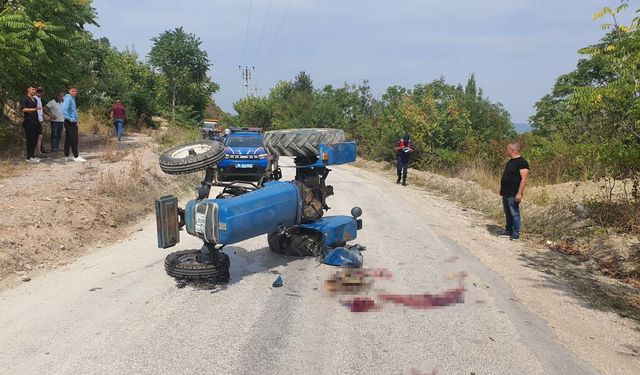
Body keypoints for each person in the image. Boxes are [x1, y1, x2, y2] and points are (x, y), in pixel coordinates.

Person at [499, 142, 530, 240]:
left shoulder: (522, 162)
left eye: (507, 149)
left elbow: (524, 179)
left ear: (512, 150)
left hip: (514, 193)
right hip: (506, 192)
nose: (506, 150)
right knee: (507, 212)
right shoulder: (510, 162)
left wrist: (519, 193)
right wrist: (502, 190)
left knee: (514, 212)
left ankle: (515, 233)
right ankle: (508, 230)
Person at [62, 85, 86, 162]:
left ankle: (67, 156)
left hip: (71, 121)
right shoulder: (68, 98)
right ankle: (76, 156)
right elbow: (64, 110)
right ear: (69, 91)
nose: (74, 92)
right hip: (70, 122)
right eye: (72, 91)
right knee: (74, 139)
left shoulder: (72, 98)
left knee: (68, 139)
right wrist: (70, 118)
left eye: (75, 91)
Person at [20, 86, 41, 163]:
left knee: (35, 138)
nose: (34, 91)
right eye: (32, 89)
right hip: (29, 121)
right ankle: (29, 157)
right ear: (28, 89)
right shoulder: (24, 98)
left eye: (35, 90)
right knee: (30, 139)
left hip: (36, 121)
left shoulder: (35, 99)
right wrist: (34, 109)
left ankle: (32, 155)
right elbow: (23, 109)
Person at [34, 87, 47, 156]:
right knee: (38, 136)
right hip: (37, 119)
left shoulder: (39, 98)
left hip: (40, 118)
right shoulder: (35, 98)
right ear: (42, 92)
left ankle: (39, 150)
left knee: (40, 136)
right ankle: (38, 152)